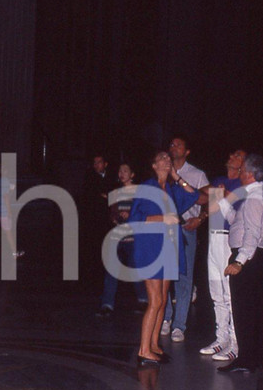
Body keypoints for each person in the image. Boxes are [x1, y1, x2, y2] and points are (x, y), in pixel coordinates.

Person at [129, 151, 201, 366]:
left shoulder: (172, 189)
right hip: (150, 247)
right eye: (162, 158)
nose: (167, 160)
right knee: (156, 301)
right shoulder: (146, 188)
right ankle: (143, 350)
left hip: (169, 247)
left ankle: (153, 345)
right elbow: (134, 219)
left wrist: (177, 177)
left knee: (163, 300)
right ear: (153, 164)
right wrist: (162, 218)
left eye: (169, 159)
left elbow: (194, 194)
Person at [215, 153, 263, 374]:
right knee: (256, 310)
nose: (239, 173)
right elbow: (237, 222)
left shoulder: (254, 198)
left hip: (249, 257)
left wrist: (239, 262)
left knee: (244, 310)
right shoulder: (261, 194)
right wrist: (223, 200)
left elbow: (251, 234)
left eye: (241, 170)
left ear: (249, 174)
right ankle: (255, 357)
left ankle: (246, 360)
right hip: (258, 257)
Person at [160, 136, 210, 343]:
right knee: (164, 275)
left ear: (187, 151)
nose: (174, 146)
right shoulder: (163, 171)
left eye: (179, 144)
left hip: (187, 228)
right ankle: (166, 317)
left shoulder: (197, 174)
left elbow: (210, 198)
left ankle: (180, 324)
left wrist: (201, 218)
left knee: (184, 276)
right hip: (166, 229)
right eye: (171, 143)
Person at [199, 149, 246, 362]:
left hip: (229, 238)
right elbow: (201, 195)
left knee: (229, 293)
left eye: (238, 156)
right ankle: (221, 339)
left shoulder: (242, 185)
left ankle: (236, 343)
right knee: (216, 291)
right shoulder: (219, 180)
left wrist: (221, 193)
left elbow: (234, 205)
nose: (232, 157)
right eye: (232, 154)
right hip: (213, 235)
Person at [96, 162, 148, 316]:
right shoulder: (116, 192)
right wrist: (115, 217)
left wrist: (131, 215)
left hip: (134, 238)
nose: (122, 173)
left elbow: (143, 211)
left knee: (135, 270)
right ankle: (107, 304)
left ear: (132, 174)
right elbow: (111, 212)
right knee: (111, 270)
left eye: (125, 171)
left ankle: (143, 300)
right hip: (118, 236)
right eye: (120, 171)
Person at [80, 153, 114, 281]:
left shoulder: (112, 177)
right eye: (94, 162)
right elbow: (91, 196)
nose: (96, 165)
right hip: (95, 218)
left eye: (99, 162)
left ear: (105, 164)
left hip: (109, 218)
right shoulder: (90, 178)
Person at [0, 162, 23, 263]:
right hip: (3, 211)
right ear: (3, 171)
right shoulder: (5, 181)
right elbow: (6, 197)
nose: (7, 171)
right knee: (8, 233)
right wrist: (9, 211)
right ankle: (15, 253)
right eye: (6, 169)